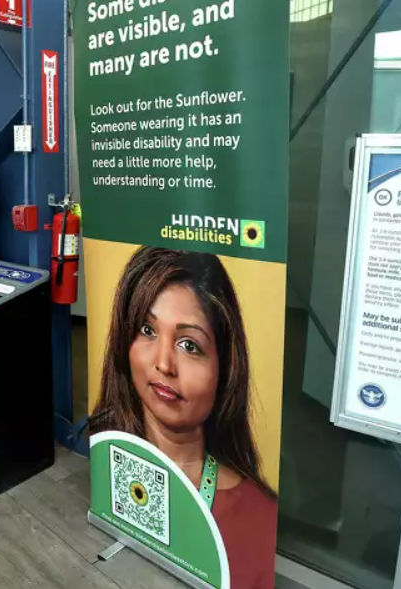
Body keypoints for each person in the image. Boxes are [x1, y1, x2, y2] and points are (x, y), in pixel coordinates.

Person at [89, 246, 277, 589]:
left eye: (189, 345)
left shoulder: (257, 516)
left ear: (225, 368)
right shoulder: (106, 463)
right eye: (147, 330)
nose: (163, 364)